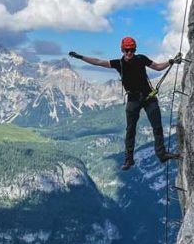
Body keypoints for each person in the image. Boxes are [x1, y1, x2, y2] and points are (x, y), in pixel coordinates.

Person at [69, 37, 182, 170]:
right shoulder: (119, 64)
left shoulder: (141, 59)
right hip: (133, 99)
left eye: (132, 50)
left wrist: (171, 61)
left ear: (134, 50)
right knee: (130, 130)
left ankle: (162, 154)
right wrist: (80, 57)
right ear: (122, 50)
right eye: (127, 50)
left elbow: (157, 67)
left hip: (148, 97)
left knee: (157, 126)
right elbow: (98, 62)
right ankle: (129, 160)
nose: (129, 53)